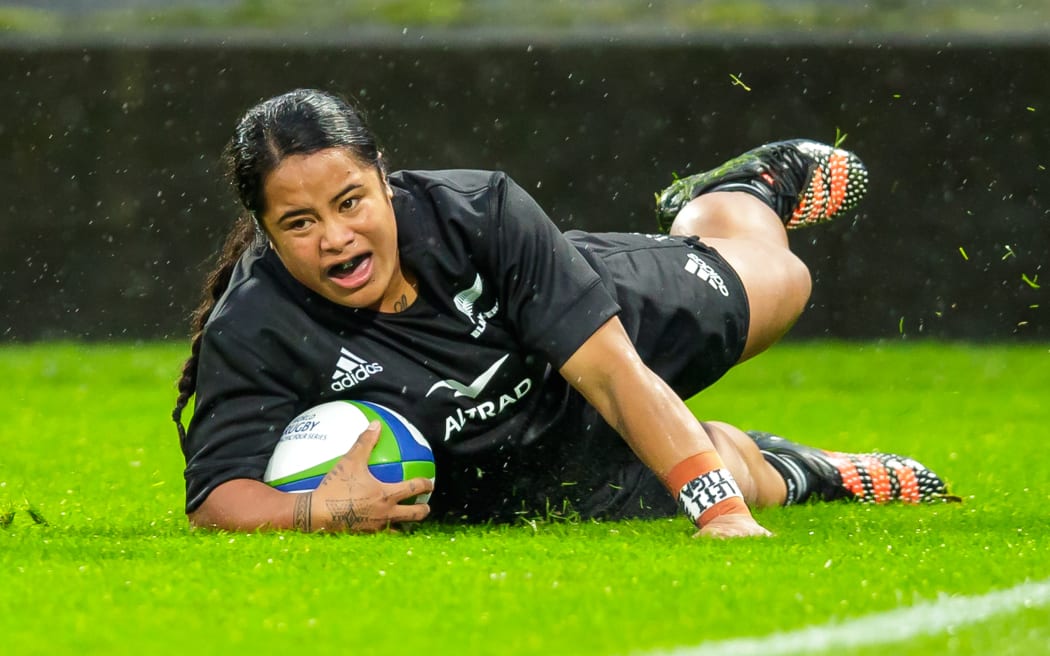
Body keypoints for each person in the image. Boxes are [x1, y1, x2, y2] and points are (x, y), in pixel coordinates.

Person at [173, 88, 955, 538]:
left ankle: (733, 195)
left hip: (585, 332)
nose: (337, 239)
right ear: (266, 232)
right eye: (300, 224)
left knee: (783, 284)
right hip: (502, 455)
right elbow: (218, 497)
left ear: (385, 178)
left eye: (351, 203)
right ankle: (810, 469)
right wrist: (318, 511)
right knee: (716, 475)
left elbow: (614, 375)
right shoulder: (254, 325)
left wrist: (713, 518)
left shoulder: (475, 213)